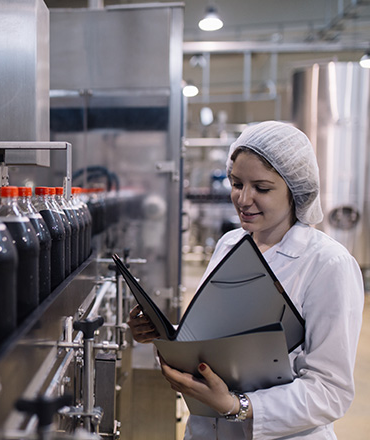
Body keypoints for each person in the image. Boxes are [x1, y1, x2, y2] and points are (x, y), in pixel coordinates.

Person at [127, 121, 364, 439]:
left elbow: (330, 391)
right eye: (236, 183)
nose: (242, 198)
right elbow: (214, 338)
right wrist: (168, 339)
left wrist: (237, 406)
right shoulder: (230, 243)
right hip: (206, 429)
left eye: (262, 188)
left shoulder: (327, 264)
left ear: (295, 190)